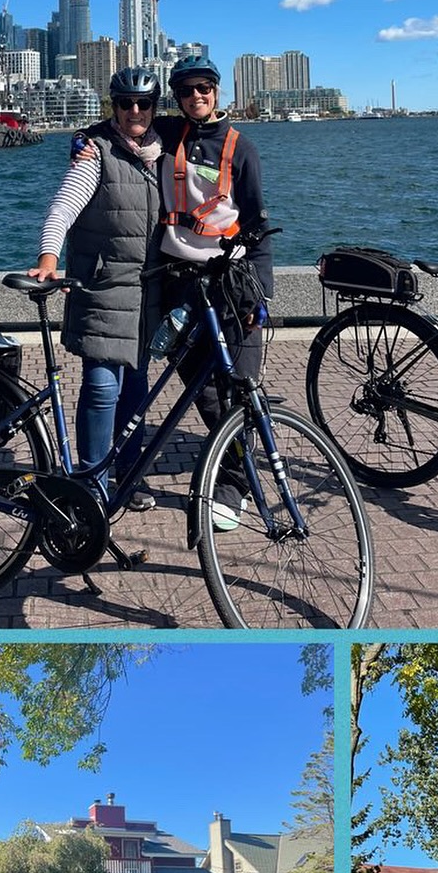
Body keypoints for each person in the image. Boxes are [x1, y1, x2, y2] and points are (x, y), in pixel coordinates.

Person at [29, 67, 163, 506]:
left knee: (137, 385)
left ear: (155, 106)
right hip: (104, 287)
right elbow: (63, 207)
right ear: (114, 106)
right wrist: (49, 256)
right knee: (103, 385)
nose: (135, 111)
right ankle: (91, 483)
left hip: (147, 292)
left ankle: (127, 472)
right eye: (126, 103)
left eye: (143, 103)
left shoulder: (164, 153)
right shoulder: (95, 151)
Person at [153, 52, 273, 530]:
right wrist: (85, 139)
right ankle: (232, 464)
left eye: (204, 87)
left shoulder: (241, 148)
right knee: (201, 389)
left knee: (241, 388)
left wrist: (259, 295)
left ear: (217, 91)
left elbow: (259, 224)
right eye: (186, 90)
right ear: (177, 97)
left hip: (231, 282)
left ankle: (231, 485)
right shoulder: (166, 134)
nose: (196, 96)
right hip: (179, 284)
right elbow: (124, 122)